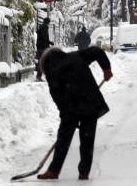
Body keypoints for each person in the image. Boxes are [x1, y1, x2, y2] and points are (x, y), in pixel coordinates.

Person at [36, 46, 113, 181]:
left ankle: (54, 170)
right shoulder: (76, 56)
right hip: (89, 102)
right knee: (87, 139)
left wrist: (66, 116)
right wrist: (106, 69)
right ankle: (84, 172)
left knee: (63, 140)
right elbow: (97, 51)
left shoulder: (50, 72)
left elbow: (57, 97)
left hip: (71, 108)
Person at [35, 17, 53, 81]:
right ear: (47, 22)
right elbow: (44, 38)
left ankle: (39, 75)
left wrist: (49, 42)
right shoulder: (44, 28)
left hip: (40, 47)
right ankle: (39, 76)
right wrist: (49, 42)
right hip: (43, 47)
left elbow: (42, 38)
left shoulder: (41, 27)